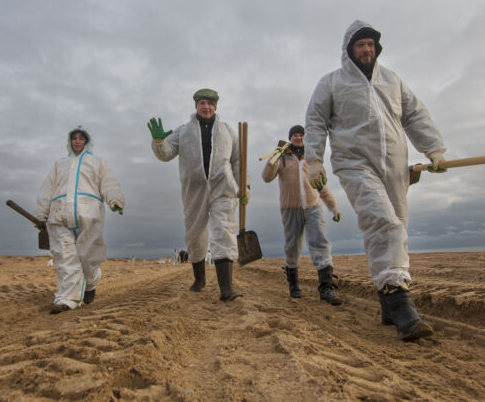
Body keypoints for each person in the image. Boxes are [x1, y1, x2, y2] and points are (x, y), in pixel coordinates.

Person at [304, 20, 448, 341]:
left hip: (395, 166)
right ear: (349, 50)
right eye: (360, 44)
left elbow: (415, 115)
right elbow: (315, 120)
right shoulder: (331, 83)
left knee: (396, 224)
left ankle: (386, 298)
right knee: (383, 222)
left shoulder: (392, 80)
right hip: (354, 163)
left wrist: (434, 149)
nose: (367, 49)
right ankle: (399, 302)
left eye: (371, 44)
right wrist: (313, 160)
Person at [148, 88, 248, 301]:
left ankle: (226, 289)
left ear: (215, 107)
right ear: (196, 106)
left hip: (223, 188)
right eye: (202, 103)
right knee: (195, 234)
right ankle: (199, 278)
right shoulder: (183, 131)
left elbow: (238, 160)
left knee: (223, 231)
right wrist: (158, 142)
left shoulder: (228, 131)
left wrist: (244, 187)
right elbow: (166, 153)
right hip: (194, 189)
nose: (206, 107)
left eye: (210, 103)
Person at [34, 126, 125, 314]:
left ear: (87, 141)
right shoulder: (59, 164)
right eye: (74, 138)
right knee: (65, 256)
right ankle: (67, 299)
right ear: (69, 141)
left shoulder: (97, 162)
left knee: (88, 256)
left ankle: (91, 281)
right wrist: (40, 214)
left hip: (88, 214)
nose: (77, 141)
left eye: (81, 138)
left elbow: (108, 183)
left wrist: (115, 200)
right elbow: (47, 189)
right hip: (59, 215)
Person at [262, 124, 343, 304]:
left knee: (319, 241)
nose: (298, 138)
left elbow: (321, 186)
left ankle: (326, 288)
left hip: (313, 206)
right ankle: (293, 284)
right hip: (290, 207)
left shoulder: (312, 159)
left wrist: (334, 207)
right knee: (293, 246)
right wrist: (274, 158)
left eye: (301, 135)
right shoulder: (282, 158)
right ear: (290, 138)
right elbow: (267, 177)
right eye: (295, 135)